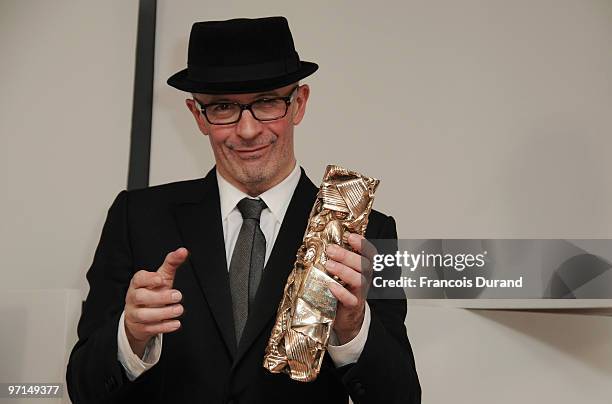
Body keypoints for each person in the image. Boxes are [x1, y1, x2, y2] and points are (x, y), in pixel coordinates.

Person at [66, 16, 420, 404]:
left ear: (298, 104)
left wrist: (352, 330)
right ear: (198, 116)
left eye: (267, 102)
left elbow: (400, 397)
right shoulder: (137, 218)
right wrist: (129, 336)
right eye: (223, 108)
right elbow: (84, 388)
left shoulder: (364, 231)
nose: (248, 130)